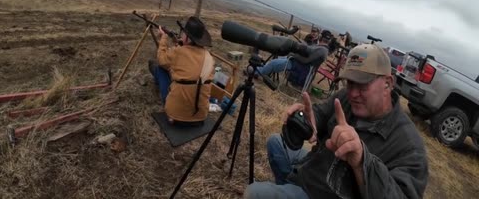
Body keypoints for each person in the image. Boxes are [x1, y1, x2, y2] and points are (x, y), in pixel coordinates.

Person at [245, 44, 429, 199]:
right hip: (315, 169)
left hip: (324, 192)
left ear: (388, 83)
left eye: (363, 84)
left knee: (255, 193)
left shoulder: (410, 147)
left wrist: (362, 162)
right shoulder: (347, 99)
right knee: (275, 142)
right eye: (350, 83)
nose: (353, 93)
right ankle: (289, 187)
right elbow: (321, 112)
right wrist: (309, 121)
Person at [149, 16, 215, 124]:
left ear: (187, 38)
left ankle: (160, 92)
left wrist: (164, 37)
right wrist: (180, 44)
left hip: (175, 116)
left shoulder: (178, 52)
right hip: (201, 116)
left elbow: (161, 59)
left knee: (159, 69)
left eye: (184, 32)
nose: (182, 34)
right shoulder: (209, 57)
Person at [253, 29, 332, 78]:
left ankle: (255, 73)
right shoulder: (321, 48)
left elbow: (306, 61)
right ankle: (261, 70)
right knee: (278, 59)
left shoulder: (322, 50)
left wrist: (293, 55)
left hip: (301, 67)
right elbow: (308, 52)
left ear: (321, 37)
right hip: (298, 63)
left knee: (274, 63)